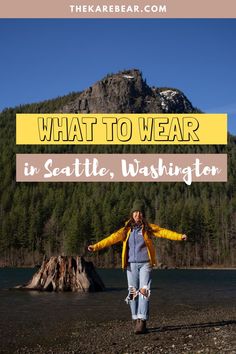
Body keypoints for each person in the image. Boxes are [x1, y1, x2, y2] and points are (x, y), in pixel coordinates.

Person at [88, 199, 187, 334]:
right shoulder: (126, 230)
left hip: (145, 263)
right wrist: (95, 246)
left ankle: (142, 320)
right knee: (133, 292)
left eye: (140, 212)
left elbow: (164, 232)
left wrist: (179, 236)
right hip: (130, 265)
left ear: (143, 215)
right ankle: (135, 319)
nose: (137, 215)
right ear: (132, 214)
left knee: (144, 291)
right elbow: (111, 238)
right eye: (135, 212)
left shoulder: (148, 228)